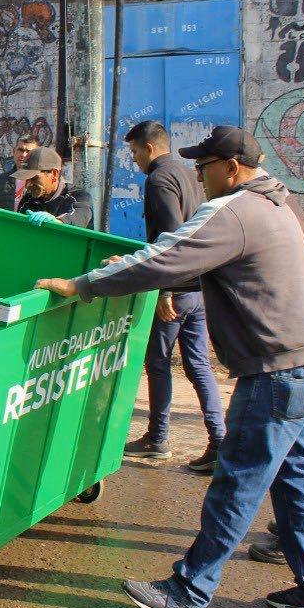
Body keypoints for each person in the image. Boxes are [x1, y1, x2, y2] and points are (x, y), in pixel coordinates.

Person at [36, 126, 304, 608]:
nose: (197, 178)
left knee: (237, 480)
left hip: (278, 371)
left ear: (231, 168)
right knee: (297, 475)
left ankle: (189, 591)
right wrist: (134, 264)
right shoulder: (277, 203)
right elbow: (206, 265)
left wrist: (85, 284)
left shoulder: (235, 209)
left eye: (203, 168)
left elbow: (170, 254)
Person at [121, 121, 225, 472]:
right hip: (197, 287)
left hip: (175, 291)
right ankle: (219, 439)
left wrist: (164, 288)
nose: (133, 159)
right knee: (198, 366)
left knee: (160, 363)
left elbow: (168, 236)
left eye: (134, 151)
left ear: (149, 148)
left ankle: (157, 438)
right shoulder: (185, 173)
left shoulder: (159, 178)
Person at [14, 146, 94, 229]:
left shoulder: (79, 197)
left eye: (34, 178)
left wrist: (57, 222)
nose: (28, 185)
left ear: (55, 174)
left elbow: (80, 218)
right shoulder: (27, 201)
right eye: (27, 179)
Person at [0, 134, 40, 210]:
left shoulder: (42, 182)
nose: (23, 155)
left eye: (28, 151)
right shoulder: (1, 181)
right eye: (20, 150)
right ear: (14, 151)